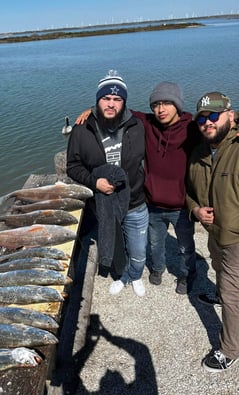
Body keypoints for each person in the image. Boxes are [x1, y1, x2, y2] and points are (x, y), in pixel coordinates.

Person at [76, 82, 198, 295]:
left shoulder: (192, 129)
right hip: (152, 204)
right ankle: (158, 269)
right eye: (156, 104)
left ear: (178, 105)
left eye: (167, 103)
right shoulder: (146, 123)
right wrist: (91, 110)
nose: (161, 109)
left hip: (182, 205)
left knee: (185, 246)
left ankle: (187, 274)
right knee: (155, 244)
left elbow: (215, 128)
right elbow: (114, 106)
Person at [66, 70, 148, 297]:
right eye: (106, 98)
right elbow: (72, 166)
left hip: (135, 201)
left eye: (117, 99)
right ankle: (123, 276)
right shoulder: (82, 129)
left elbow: (169, 119)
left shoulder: (139, 125)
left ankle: (136, 274)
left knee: (139, 249)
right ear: (97, 100)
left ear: (124, 102)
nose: (111, 104)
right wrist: (94, 182)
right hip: (104, 204)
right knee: (115, 246)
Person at [186, 91, 239, 372]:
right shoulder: (198, 153)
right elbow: (189, 192)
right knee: (217, 268)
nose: (208, 122)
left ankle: (229, 349)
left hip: (236, 238)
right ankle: (219, 293)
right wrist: (195, 210)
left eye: (214, 116)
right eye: (202, 118)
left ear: (230, 114)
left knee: (233, 295)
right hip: (213, 233)